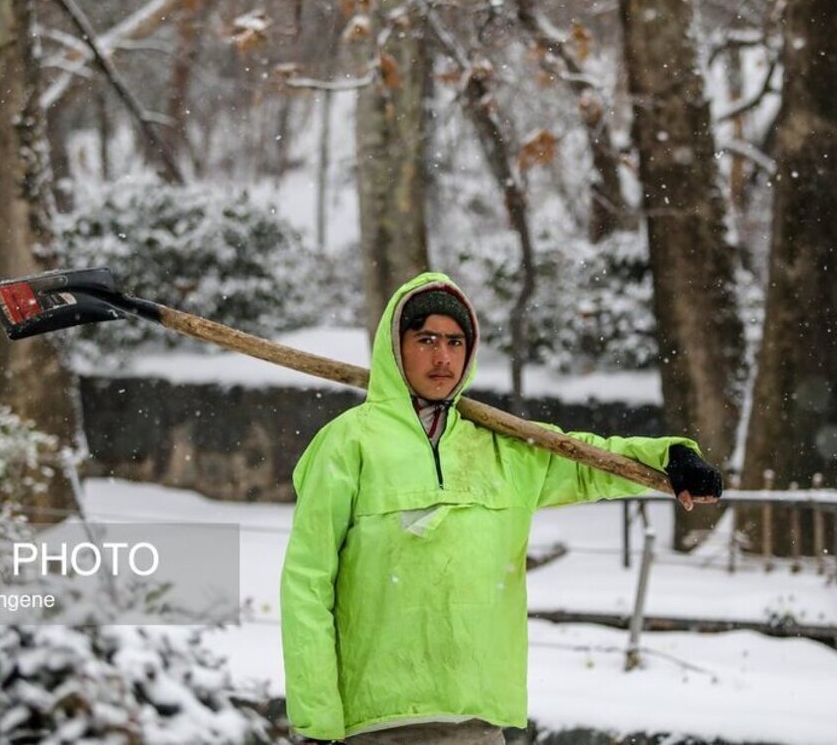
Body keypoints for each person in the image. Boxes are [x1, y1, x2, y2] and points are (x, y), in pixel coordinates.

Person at [280, 272, 722, 744]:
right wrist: (318, 717)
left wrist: (669, 458)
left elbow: (587, 462)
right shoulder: (348, 443)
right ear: (395, 345)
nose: (442, 356)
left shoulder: (501, 449)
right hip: (377, 720)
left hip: (478, 716)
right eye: (426, 339)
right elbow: (307, 581)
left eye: (454, 341)